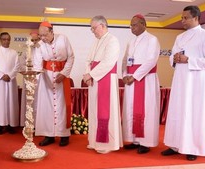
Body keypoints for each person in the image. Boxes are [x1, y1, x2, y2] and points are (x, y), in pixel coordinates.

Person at [161, 5, 205, 161]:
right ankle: (175, 145)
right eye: (182, 18)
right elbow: (172, 56)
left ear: (196, 18)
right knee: (177, 112)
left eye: (185, 18)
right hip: (180, 79)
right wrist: (175, 59)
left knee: (193, 113)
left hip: (196, 82)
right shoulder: (179, 37)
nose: (182, 20)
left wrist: (189, 60)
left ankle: (192, 147)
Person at [83, 15, 123, 154]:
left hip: (106, 80)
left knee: (105, 111)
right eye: (91, 28)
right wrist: (87, 74)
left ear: (103, 26)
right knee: (94, 111)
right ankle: (95, 141)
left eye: (94, 28)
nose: (92, 31)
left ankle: (107, 144)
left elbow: (108, 62)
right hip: (95, 81)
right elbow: (88, 60)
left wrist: (91, 74)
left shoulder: (112, 40)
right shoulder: (96, 42)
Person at [121, 14, 160, 154]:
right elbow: (125, 60)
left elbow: (151, 61)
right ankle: (134, 140)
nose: (132, 28)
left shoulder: (152, 40)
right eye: (131, 25)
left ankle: (146, 142)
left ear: (143, 24)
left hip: (146, 80)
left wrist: (135, 76)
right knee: (130, 109)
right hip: (131, 80)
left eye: (135, 25)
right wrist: (125, 75)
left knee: (146, 110)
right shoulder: (130, 42)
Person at [33, 21, 74, 147]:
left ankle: (64, 135)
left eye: (45, 35)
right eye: (40, 35)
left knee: (62, 106)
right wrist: (38, 79)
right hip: (46, 78)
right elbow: (37, 63)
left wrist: (64, 73)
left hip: (62, 77)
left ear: (51, 32)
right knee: (47, 107)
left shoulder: (63, 39)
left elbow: (71, 57)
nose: (42, 38)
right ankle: (48, 135)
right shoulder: (40, 45)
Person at [0, 32, 20, 134]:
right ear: (0, 40)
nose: (6, 41)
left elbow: (17, 66)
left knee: (10, 102)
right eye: (4, 39)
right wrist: (2, 75)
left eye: (8, 39)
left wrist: (10, 76)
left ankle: (10, 124)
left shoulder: (14, 52)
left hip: (10, 81)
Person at [19, 30, 40, 127]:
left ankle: (39, 125)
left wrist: (37, 71)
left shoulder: (43, 50)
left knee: (38, 102)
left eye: (36, 40)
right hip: (28, 79)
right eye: (32, 40)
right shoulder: (25, 51)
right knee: (29, 102)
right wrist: (28, 71)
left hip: (40, 80)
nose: (34, 42)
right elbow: (21, 64)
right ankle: (28, 124)